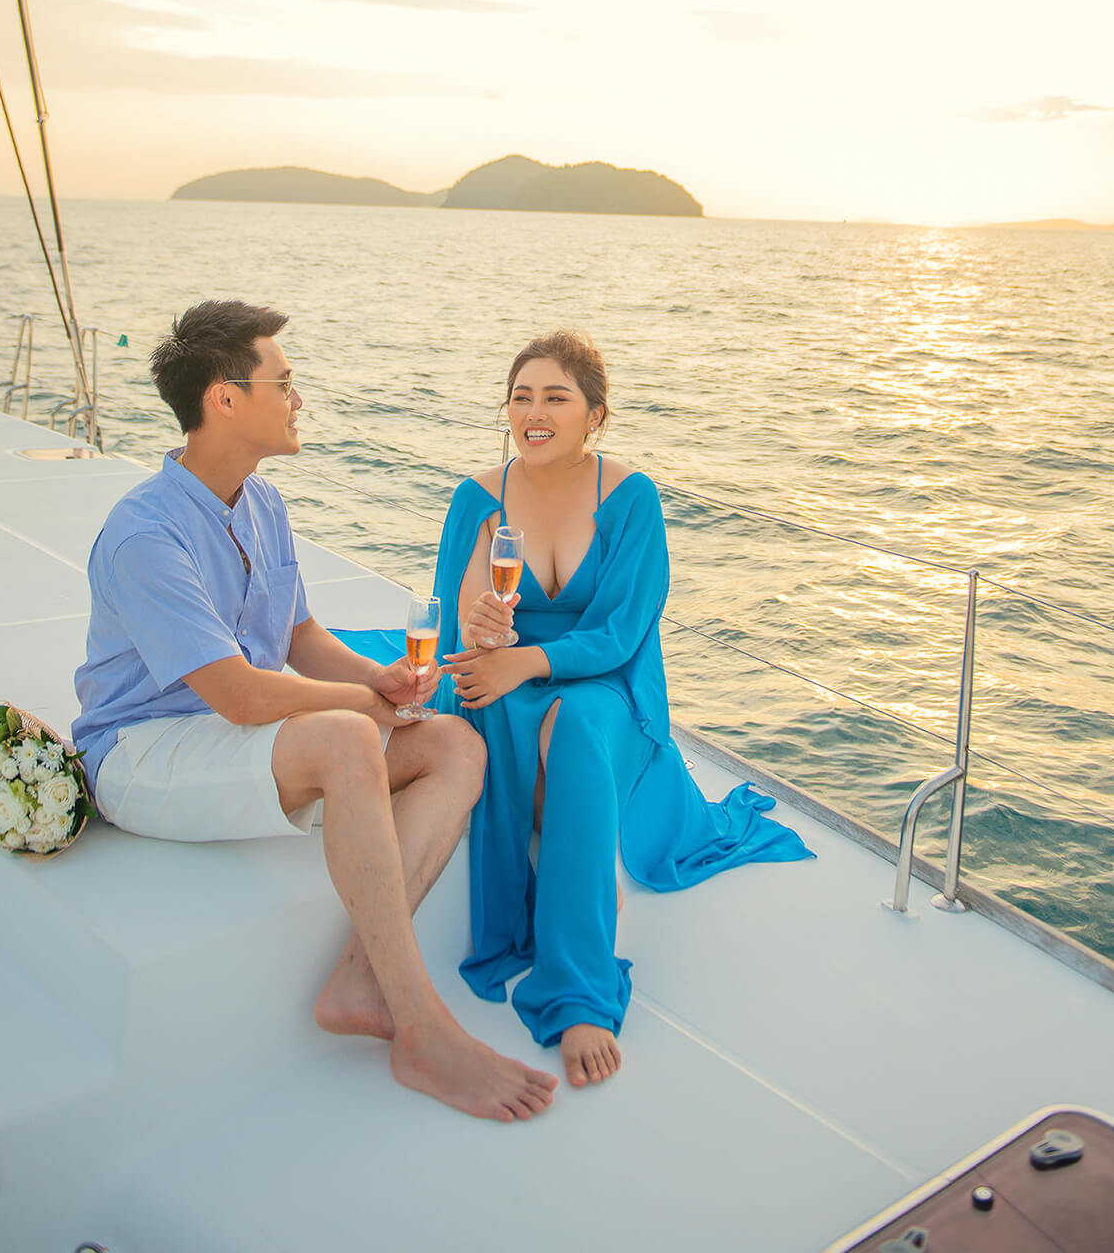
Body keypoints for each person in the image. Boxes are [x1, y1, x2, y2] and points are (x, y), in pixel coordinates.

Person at [72, 299, 556, 1124]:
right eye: (284, 383)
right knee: (345, 736)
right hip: (142, 752)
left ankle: (362, 979)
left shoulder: (262, 505)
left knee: (450, 745)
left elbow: (297, 636)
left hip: (234, 739)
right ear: (224, 399)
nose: (299, 399)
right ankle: (422, 1027)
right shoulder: (143, 534)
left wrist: (386, 681)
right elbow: (242, 692)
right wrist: (367, 701)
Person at [435, 330, 813, 1089]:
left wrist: (529, 660)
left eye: (555, 397)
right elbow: (459, 626)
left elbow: (621, 633)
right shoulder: (480, 497)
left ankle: (577, 990)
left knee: (575, 727)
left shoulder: (630, 497)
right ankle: (519, 917)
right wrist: (485, 636)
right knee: (493, 710)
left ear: (594, 417)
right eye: (520, 397)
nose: (533, 413)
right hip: (510, 675)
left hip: (603, 682)